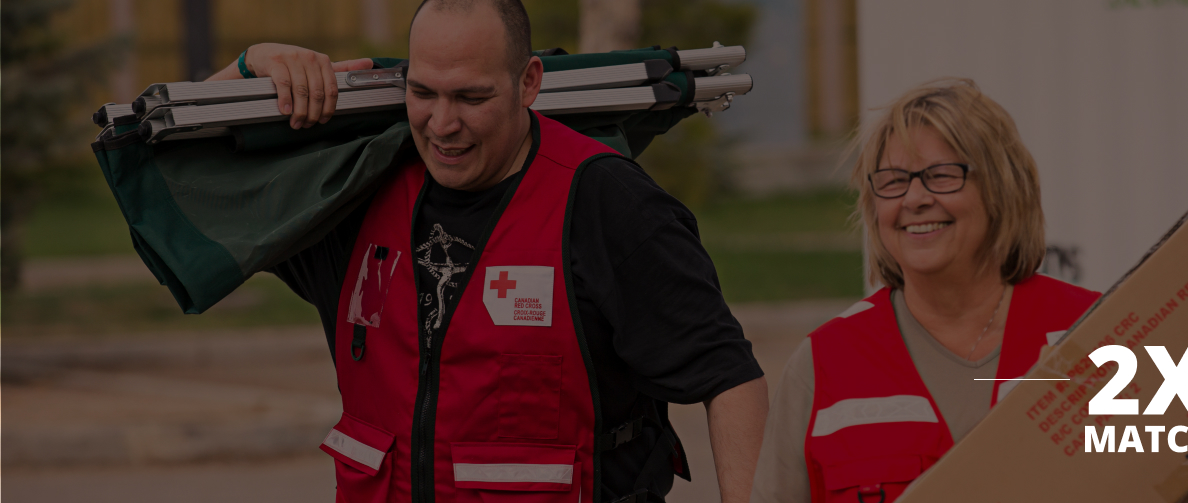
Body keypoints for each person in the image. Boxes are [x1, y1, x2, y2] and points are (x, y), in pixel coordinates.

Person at [202, 1, 769, 502]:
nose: (443, 124)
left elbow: (727, 378)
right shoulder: (352, 197)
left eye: (472, 97)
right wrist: (248, 69)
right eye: (423, 93)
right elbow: (188, 183)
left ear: (528, 82)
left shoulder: (606, 204)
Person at [748, 78, 1188, 503]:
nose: (914, 198)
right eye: (893, 181)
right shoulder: (823, 366)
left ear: (1001, 190)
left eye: (942, 174)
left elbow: (1181, 496)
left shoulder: (1105, 338)